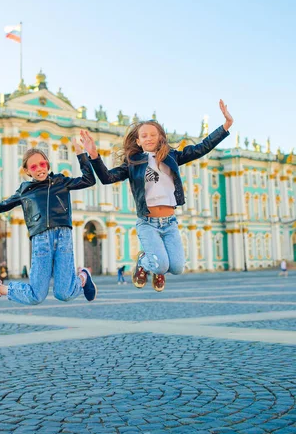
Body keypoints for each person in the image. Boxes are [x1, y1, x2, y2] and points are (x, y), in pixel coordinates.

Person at [81, 99, 233, 292]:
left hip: (170, 222)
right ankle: (145, 262)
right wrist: (94, 156)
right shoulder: (133, 163)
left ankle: (155, 265)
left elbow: (201, 148)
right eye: (144, 135)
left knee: (177, 268)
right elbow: (107, 178)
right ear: (138, 141)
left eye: (153, 134)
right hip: (147, 222)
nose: (149, 138)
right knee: (161, 264)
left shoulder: (173, 157)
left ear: (161, 137)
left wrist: (225, 126)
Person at [0, 140, 97, 311]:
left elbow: (89, 180)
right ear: (27, 171)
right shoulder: (25, 190)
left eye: (42, 164)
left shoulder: (60, 181)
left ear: (48, 164)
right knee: (35, 296)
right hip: (41, 240)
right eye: (34, 167)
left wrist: (81, 154)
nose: (40, 169)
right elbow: (1, 205)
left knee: (64, 293)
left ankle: (83, 278)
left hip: (64, 237)